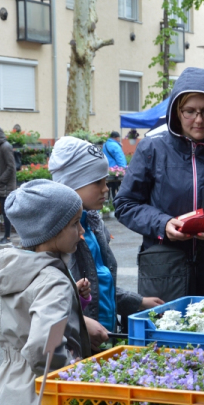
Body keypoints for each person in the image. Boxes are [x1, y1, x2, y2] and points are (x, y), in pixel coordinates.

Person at [114, 68, 204, 299]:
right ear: (176, 112)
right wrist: (163, 224)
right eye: (190, 111)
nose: (198, 119)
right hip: (164, 273)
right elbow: (125, 204)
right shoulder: (151, 149)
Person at [0, 180, 92, 405]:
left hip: (9, 387)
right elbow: (45, 348)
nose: (81, 231)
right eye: (74, 223)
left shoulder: (14, 269)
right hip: (42, 401)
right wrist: (73, 375)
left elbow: (22, 313)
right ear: (51, 230)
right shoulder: (53, 281)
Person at [49, 136, 164, 332]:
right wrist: (82, 325)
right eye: (97, 182)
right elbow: (49, 305)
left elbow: (101, 286)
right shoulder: (58, 236)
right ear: (71, 185)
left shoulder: (95, 225)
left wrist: (139, 302)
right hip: (78, 342)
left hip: (104, 334)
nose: (105, 189)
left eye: (106, 181)